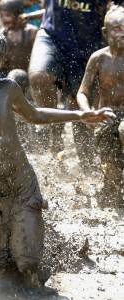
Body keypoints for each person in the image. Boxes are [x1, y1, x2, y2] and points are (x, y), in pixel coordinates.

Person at [0, 27, 114, 286]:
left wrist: (80, 115)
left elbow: (36, 115)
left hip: (21, 183)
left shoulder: (7, 89)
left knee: (27, 263)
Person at [28, 0, 123, 163]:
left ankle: (87, 159)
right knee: (40, 76)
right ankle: (53, 133)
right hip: (52, 34)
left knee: (78, 103)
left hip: (88, 40)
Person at [77, 6, 124, 208]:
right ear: (105, 32)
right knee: (110, 168)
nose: (122, 33)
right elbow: (82, 92)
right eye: (117, 29)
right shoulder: (99, 58)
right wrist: (88, 112)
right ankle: (112, 186)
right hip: (106, 116)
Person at [0, 0, 38, 77]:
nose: (4, 19)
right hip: (9, 75)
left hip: (29, 74)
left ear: (19, 15)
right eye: (1, 16)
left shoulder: (31, 32)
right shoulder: (3, 34)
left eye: (8, 15)